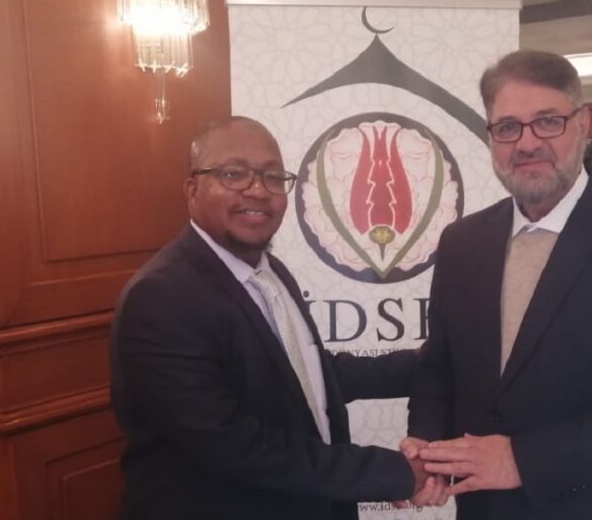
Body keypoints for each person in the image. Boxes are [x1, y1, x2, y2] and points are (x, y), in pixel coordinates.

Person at [406, 50, 592, 519]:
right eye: (507, 127)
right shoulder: (462, 241)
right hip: (484, 509)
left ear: (582, 124)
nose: (526, 143)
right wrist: (428, 445)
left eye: (547, 121)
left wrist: (524, 460)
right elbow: (439, 366)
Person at [111, 116, 445, 519]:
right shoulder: (162, 297)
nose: (258, 190)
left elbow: (308, 377)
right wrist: (391, 473)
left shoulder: (271, 272)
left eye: (272, 176)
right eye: (233, 174)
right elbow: (230, 444)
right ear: (192, 189)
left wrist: (429, 362)